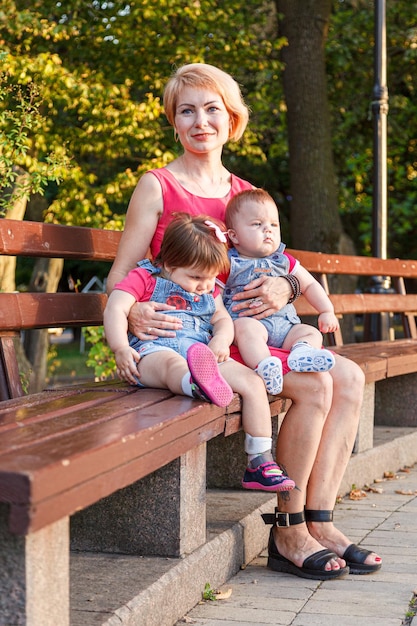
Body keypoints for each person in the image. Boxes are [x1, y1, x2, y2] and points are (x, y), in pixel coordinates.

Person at [107, 62, 381, 579]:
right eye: (186, 111)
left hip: (244, 333)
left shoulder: (244, 192)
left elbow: (279, 263)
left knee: (351, 376)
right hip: (199, 340)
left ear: (231, 119)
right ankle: (288, 528)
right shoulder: (158, 186)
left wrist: (287, 286)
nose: (200, 121)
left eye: (212, 109)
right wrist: (134, 310)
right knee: (319, 384)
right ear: (173, 121)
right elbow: (121, 276)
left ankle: (318, 519)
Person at [104, 213, 295, 492]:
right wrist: (120, 347)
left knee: (253, 383)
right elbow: (116, 307)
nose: (206, 286)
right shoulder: (144, 277)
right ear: (169, 264)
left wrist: (220, 341)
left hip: (201, 351)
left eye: (211, 279)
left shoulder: (207, 288)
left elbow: (222, 320)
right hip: (151, 352)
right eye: (196, 278)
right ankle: (196, 383)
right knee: (172, 365)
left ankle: (260, 460)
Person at [217, 188, 337, 395]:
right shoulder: (228, 262)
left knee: (310, 332)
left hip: (286, 327)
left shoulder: (285, 260)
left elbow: (309, 285)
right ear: (234, 236)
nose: (268, 230)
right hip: (251, 323)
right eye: (257, 224)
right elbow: (213, 295)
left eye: (274, 224)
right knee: (244, 329)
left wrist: (327, 310)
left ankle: (301, 353)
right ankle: (265, 366)